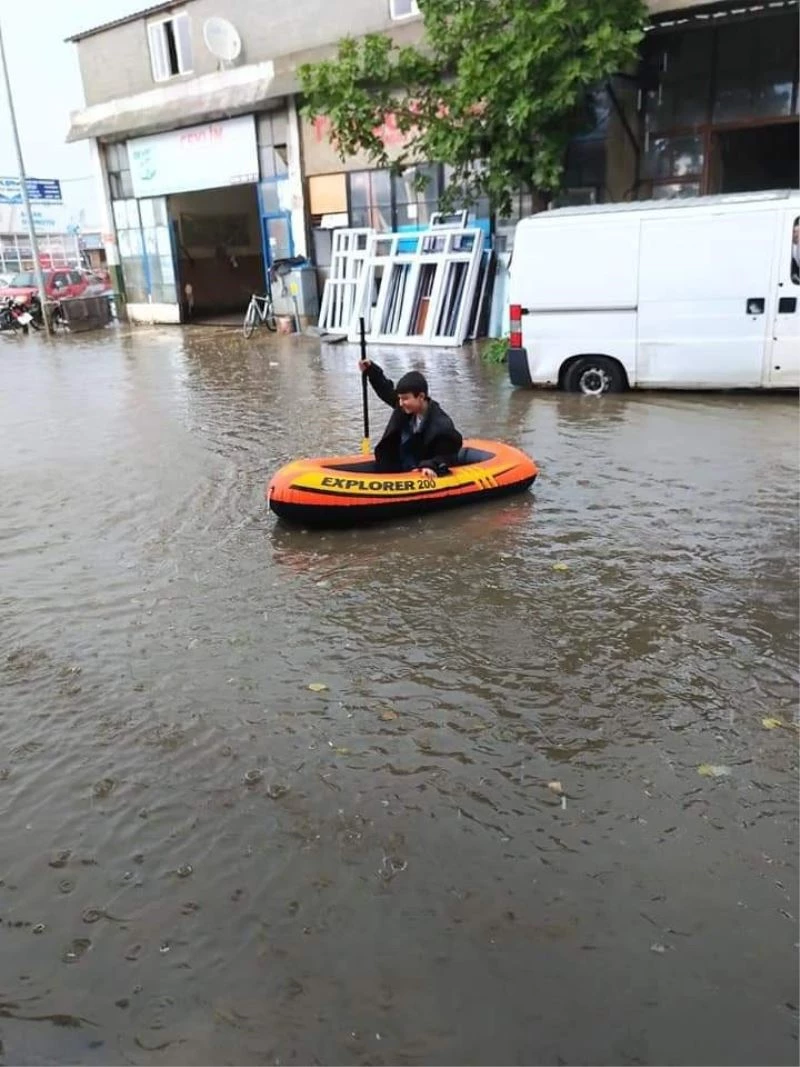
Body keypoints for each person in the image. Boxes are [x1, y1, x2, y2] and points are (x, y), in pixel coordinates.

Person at [358, 359, 463, 476]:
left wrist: (431, 465)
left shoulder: (442, 425)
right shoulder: (405, 407)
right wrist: (371, 370)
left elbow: (447, 455)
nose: (401, 403)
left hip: (418, 471)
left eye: (405, 398)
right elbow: (386, 390)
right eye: (399, 398)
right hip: (397, 466)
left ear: (421, 396)